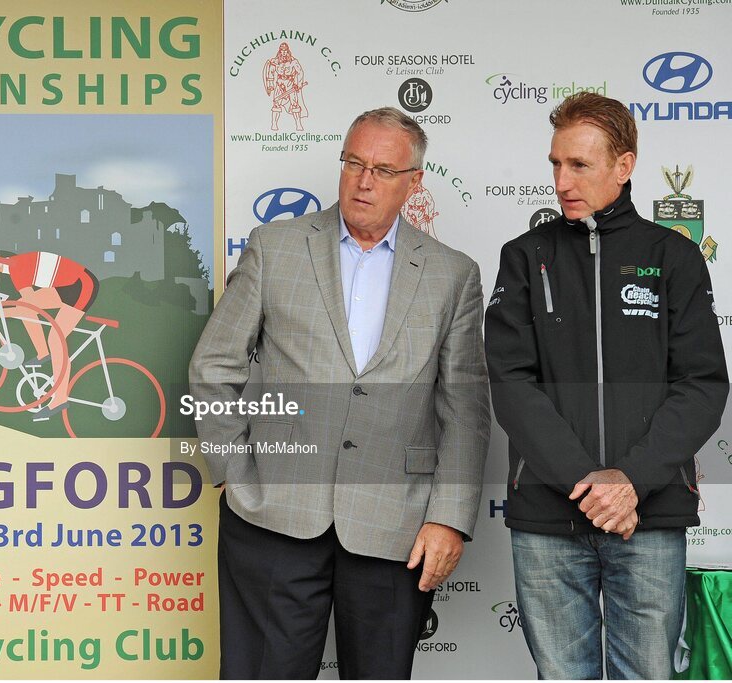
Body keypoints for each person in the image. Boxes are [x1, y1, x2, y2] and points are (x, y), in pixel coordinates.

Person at [189, 107, 489, 679]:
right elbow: (214, 363)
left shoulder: (453, 274)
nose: (364, 180)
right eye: (353, 163)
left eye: (381, 168)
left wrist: (449, 517)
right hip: (272, 514)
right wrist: (231, 468)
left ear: (413, 182)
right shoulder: (274, 247)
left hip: (396, 525)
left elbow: (466, 409)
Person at [485, 92, 728, 679]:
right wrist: (587, 483)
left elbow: (702, 385)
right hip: (549, 514)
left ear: (624, 166)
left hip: (647, 514)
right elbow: (511, 382)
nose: (562, 181)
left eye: (579, 165)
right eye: (555, 164)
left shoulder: (674, 257)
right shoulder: (524, 256)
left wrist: (630, 483)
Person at [0, 248, 99, 417]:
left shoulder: (16, 268)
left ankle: (60, 398)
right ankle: (43, 353)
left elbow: (28, 306)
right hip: (66, 285)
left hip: (82, 285)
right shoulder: (13, 265)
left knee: (55, 338)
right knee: (23, 306)